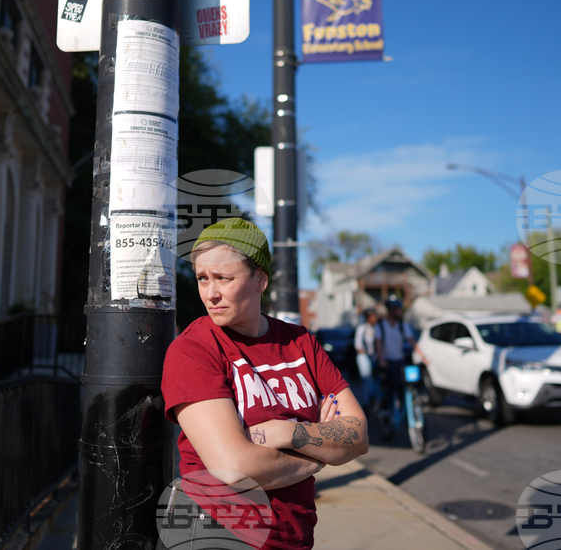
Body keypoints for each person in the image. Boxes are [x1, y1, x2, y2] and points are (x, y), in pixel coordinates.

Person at [161, 218, 369, 550]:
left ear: (260, 279)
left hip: (295, 535)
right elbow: (233, 468)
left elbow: (357, 437)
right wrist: (320, 455)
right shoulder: (194, 349)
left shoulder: (300, 342)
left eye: (224, 278)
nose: (211, 293)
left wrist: (285, 432)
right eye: (202, 278)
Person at [376, 294, 421, 438]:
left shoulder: (403, 325)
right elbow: (378, 343)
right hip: (387, 361)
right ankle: (387, 411)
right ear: (391, 310)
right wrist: (381, 359)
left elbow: (412, 341)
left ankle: (405, 414)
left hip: (400, 360)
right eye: (397, 309)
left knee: (406, 386)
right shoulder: (381, 325)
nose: (400, 312)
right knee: (391, 386)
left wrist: (424, 357)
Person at [353, 309, 380, 410]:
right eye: (373, 316)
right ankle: (365, 402)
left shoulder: (376, 328)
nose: (375, 319)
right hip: (364, 357)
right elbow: (358, 345)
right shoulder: (362, 328)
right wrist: (367, 355)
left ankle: (372, 400)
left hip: (372, 357)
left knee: (373, 380)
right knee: (366, 379)